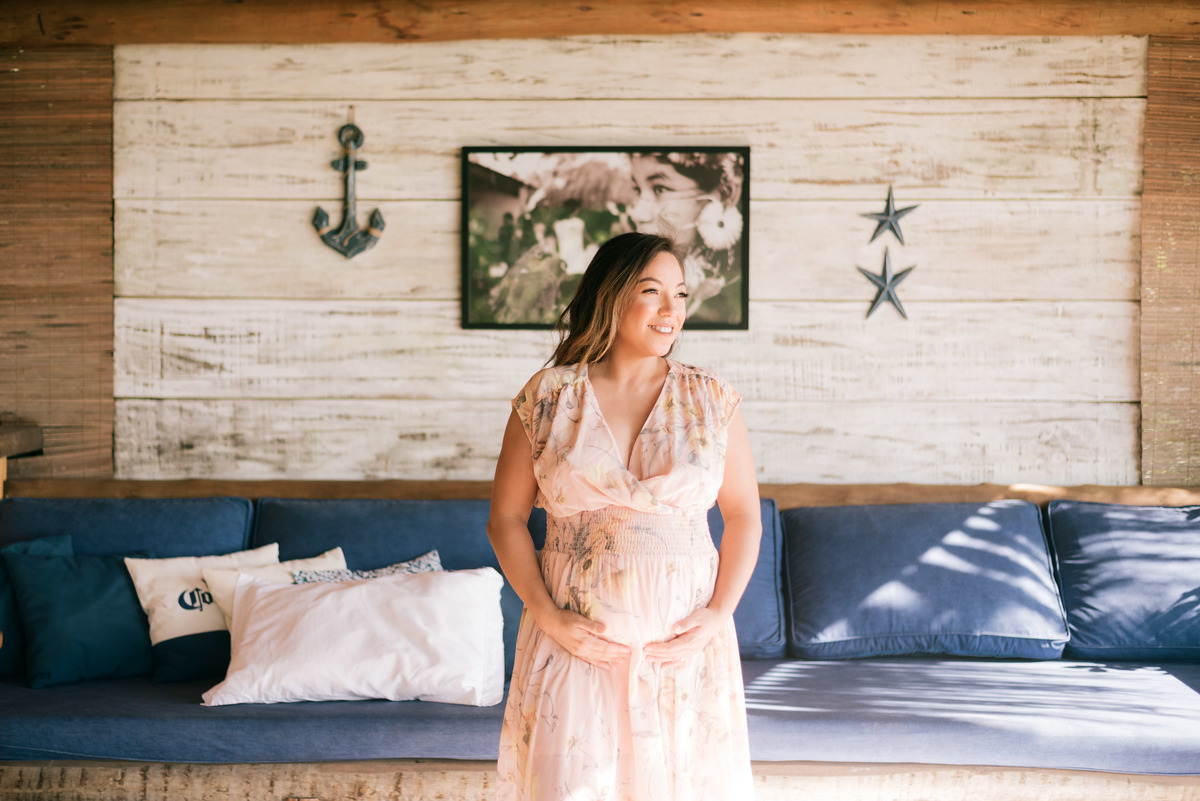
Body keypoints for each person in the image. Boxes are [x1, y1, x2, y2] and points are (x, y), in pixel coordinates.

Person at [488, 232, 761, 800]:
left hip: (681, 647)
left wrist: (718, 615)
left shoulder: (712, 398)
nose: (671, 310)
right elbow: (506, 520)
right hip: (575, 641)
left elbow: (743, 517)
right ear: (611, 295)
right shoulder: (548, 397)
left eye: (680, 294)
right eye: (652, 291)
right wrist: (548, 616)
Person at [627, 153, 745, 326]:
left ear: (725, 193)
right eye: (637, 189)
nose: (637, 213)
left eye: (660, 189)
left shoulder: (728, 302)